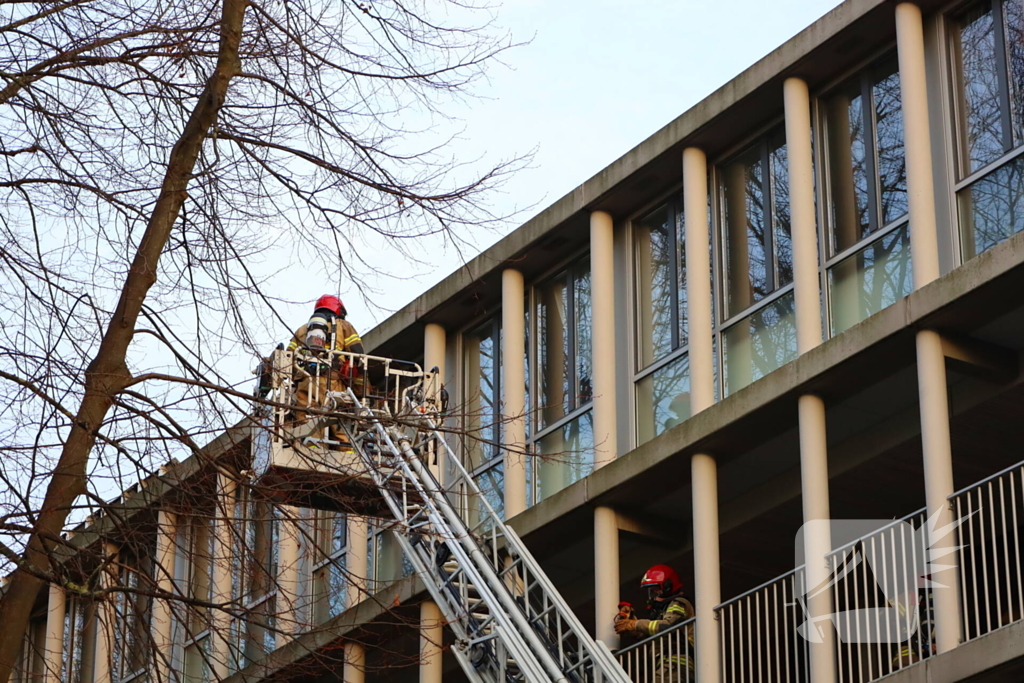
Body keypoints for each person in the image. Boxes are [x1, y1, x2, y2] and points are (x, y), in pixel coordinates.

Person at [287, 295, 364, 444]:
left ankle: (312, 448)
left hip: (305, 382)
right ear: (339, 310)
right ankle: (346, 452)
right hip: (333, 381)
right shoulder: (343, 325)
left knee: (308, 422)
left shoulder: (301, 330)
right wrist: (361, 391)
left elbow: (288, 358)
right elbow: (358, 356)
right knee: (339, 423)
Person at [615, 564, 695, 682]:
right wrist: (629, 623)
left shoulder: (679, 602)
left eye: (656, 589)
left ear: (668, 587)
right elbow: (649, 633)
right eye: (651, 591)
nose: (653, 594)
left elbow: (668, 626)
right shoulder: (663, 610)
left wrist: (635, 624)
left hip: (677, 661)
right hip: (668, 663)